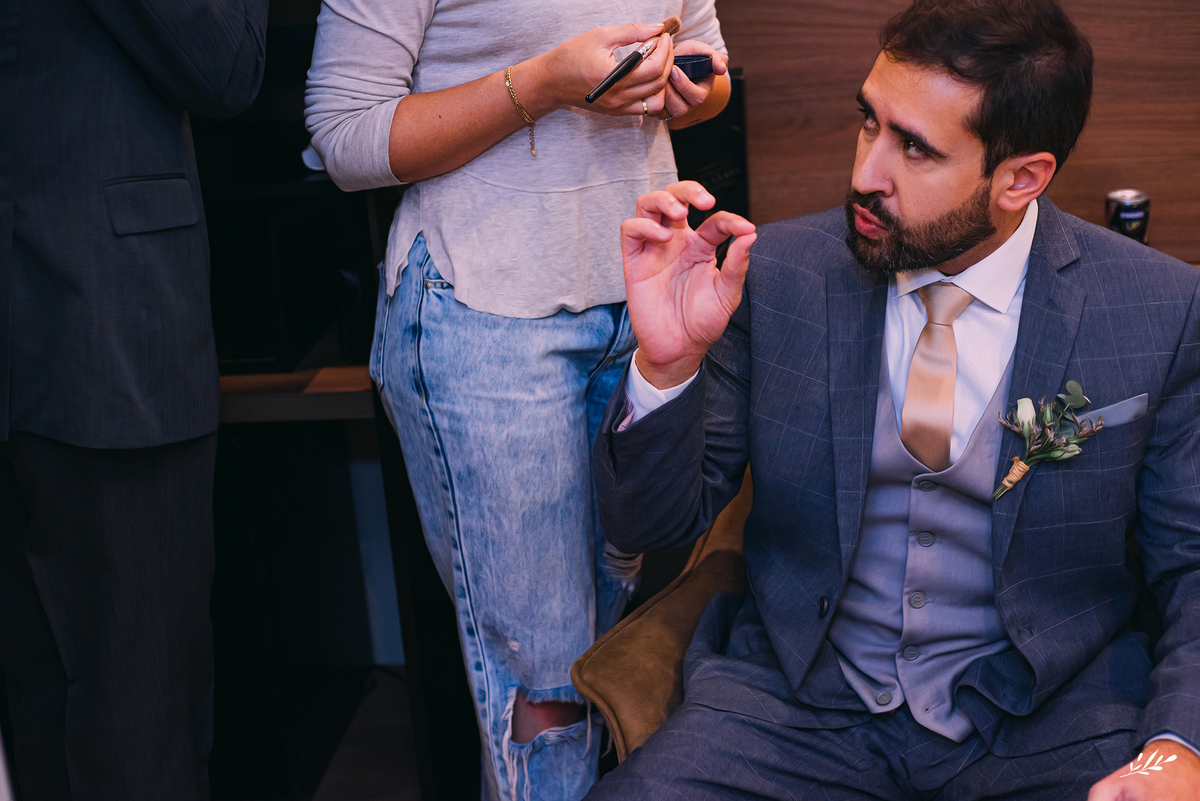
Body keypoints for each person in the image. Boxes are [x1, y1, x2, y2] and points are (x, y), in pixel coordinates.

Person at [588, 0, 1200, 798]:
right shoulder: (777, 277)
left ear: (1021, 178)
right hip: (798, 704)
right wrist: (667, 367)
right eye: (868, 123)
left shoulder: (1158, 308)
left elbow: (1194, 564)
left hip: (1052, 717)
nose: (866, 175)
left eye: (915, 148)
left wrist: (1178, 748)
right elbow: (648, 529)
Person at [304, 2, 729, 798]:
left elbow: (710, 68)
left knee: (608, 664)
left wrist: (689, 86)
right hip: (488, 306)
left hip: (641, 302)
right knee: (547, 688)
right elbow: (344, 137)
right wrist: (543, 84)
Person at [0, 1, 268, 799]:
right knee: (105, 730)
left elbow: (222, 67)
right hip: (105, 323)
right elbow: (224, 65)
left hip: (97, 323)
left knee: (99, 722)